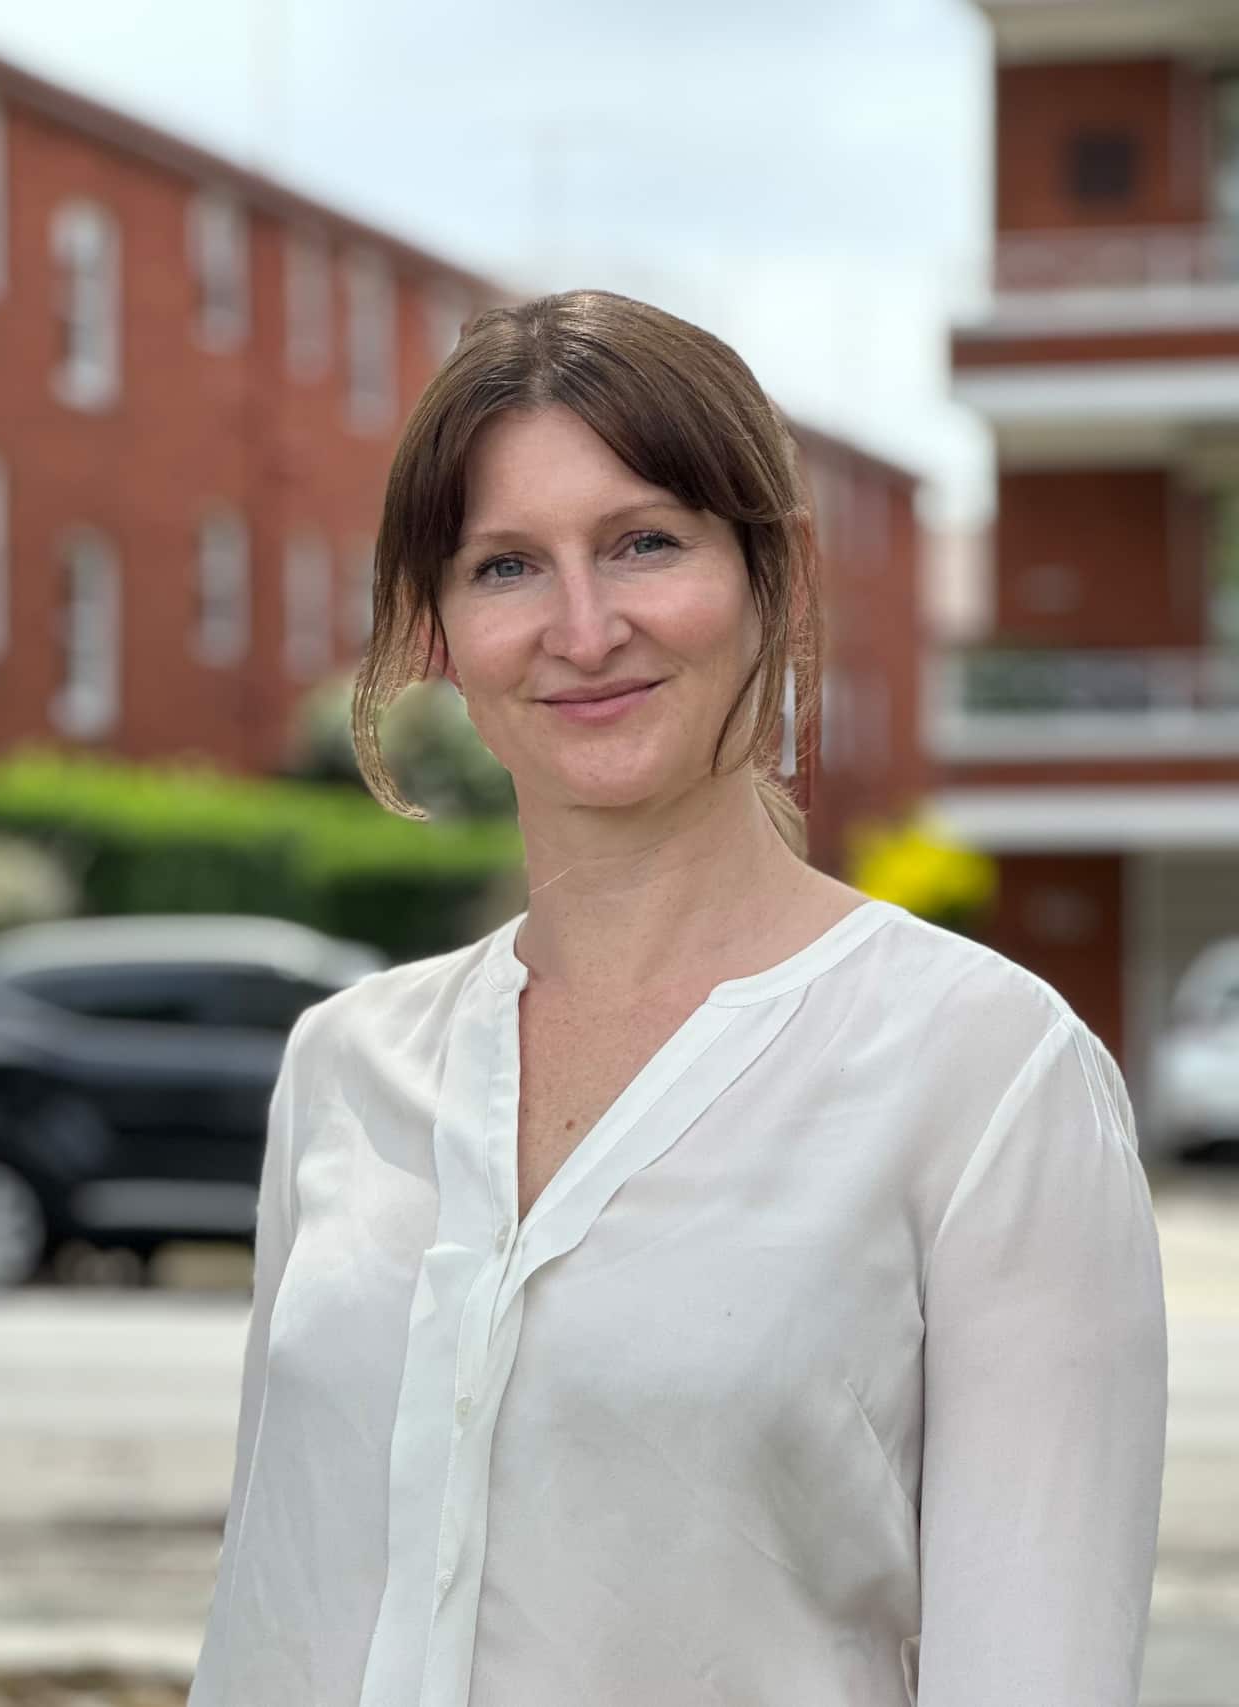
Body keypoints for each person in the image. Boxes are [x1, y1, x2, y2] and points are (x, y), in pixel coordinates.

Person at [187, 289, 1167, 1707]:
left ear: (768, 579)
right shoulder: (344, 1068)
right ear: (440, 639)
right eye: (506, 566)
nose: (584, 629)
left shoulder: (989, 1075)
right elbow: (270, 1621)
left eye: (645, 542)